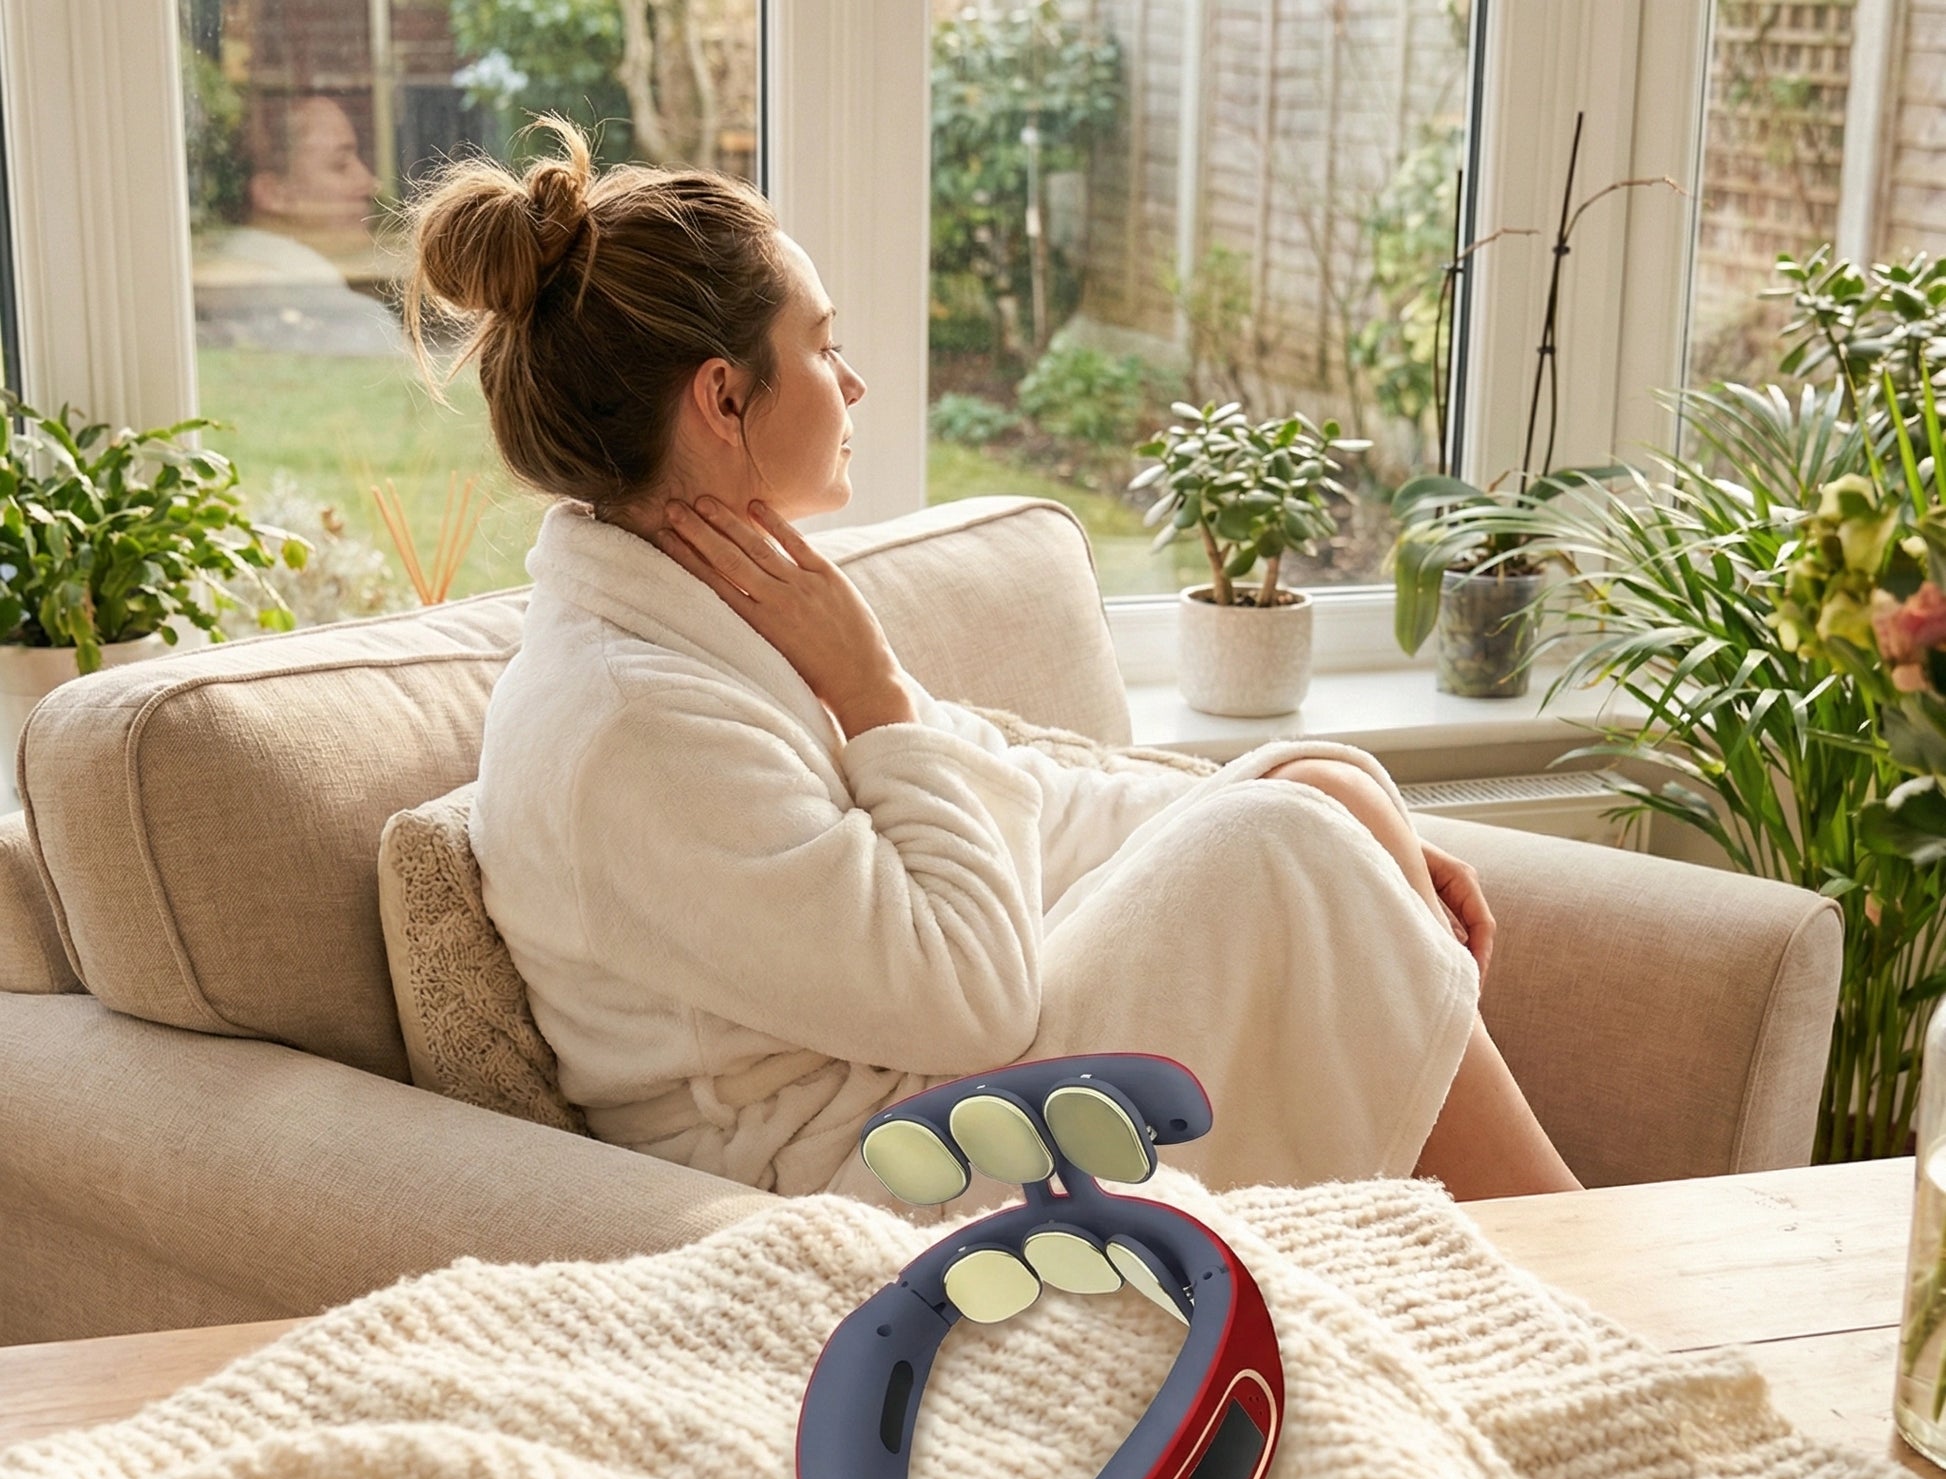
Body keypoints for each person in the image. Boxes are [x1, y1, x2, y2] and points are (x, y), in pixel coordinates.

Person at [403, 119, 1580, 1213]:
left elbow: (1026, 805)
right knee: (1282, 848)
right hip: (863, 1181)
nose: (852, 382)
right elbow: (972, 999)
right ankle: (1581, 1250)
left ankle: (1551, 1247)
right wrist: (873, 694)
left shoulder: (726, 617)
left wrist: (1316, 793)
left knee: (1310, 802)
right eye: (821, 345)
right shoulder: (635, 727)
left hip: (932, 1084)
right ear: (722, 396)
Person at [195, 94, 401, 358]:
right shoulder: (346, 321)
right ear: (272, 193)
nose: (370, 183)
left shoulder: (218, 287)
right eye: (340, 165)